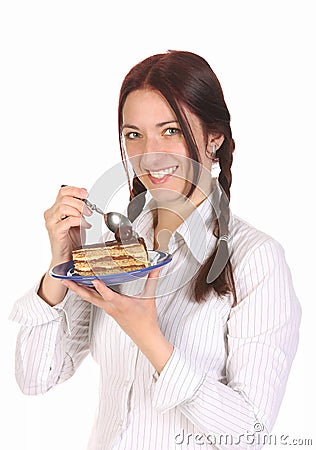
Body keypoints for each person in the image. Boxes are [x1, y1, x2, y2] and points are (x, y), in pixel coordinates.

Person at [10, 50, 301, 450]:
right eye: (134, 134)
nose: (150, 152)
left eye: (171, 131)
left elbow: (249, 435)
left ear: (213, 138)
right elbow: (36, 378)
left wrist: (150, 337)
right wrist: (60, 265)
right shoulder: (110, 247)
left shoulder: (256, 259)